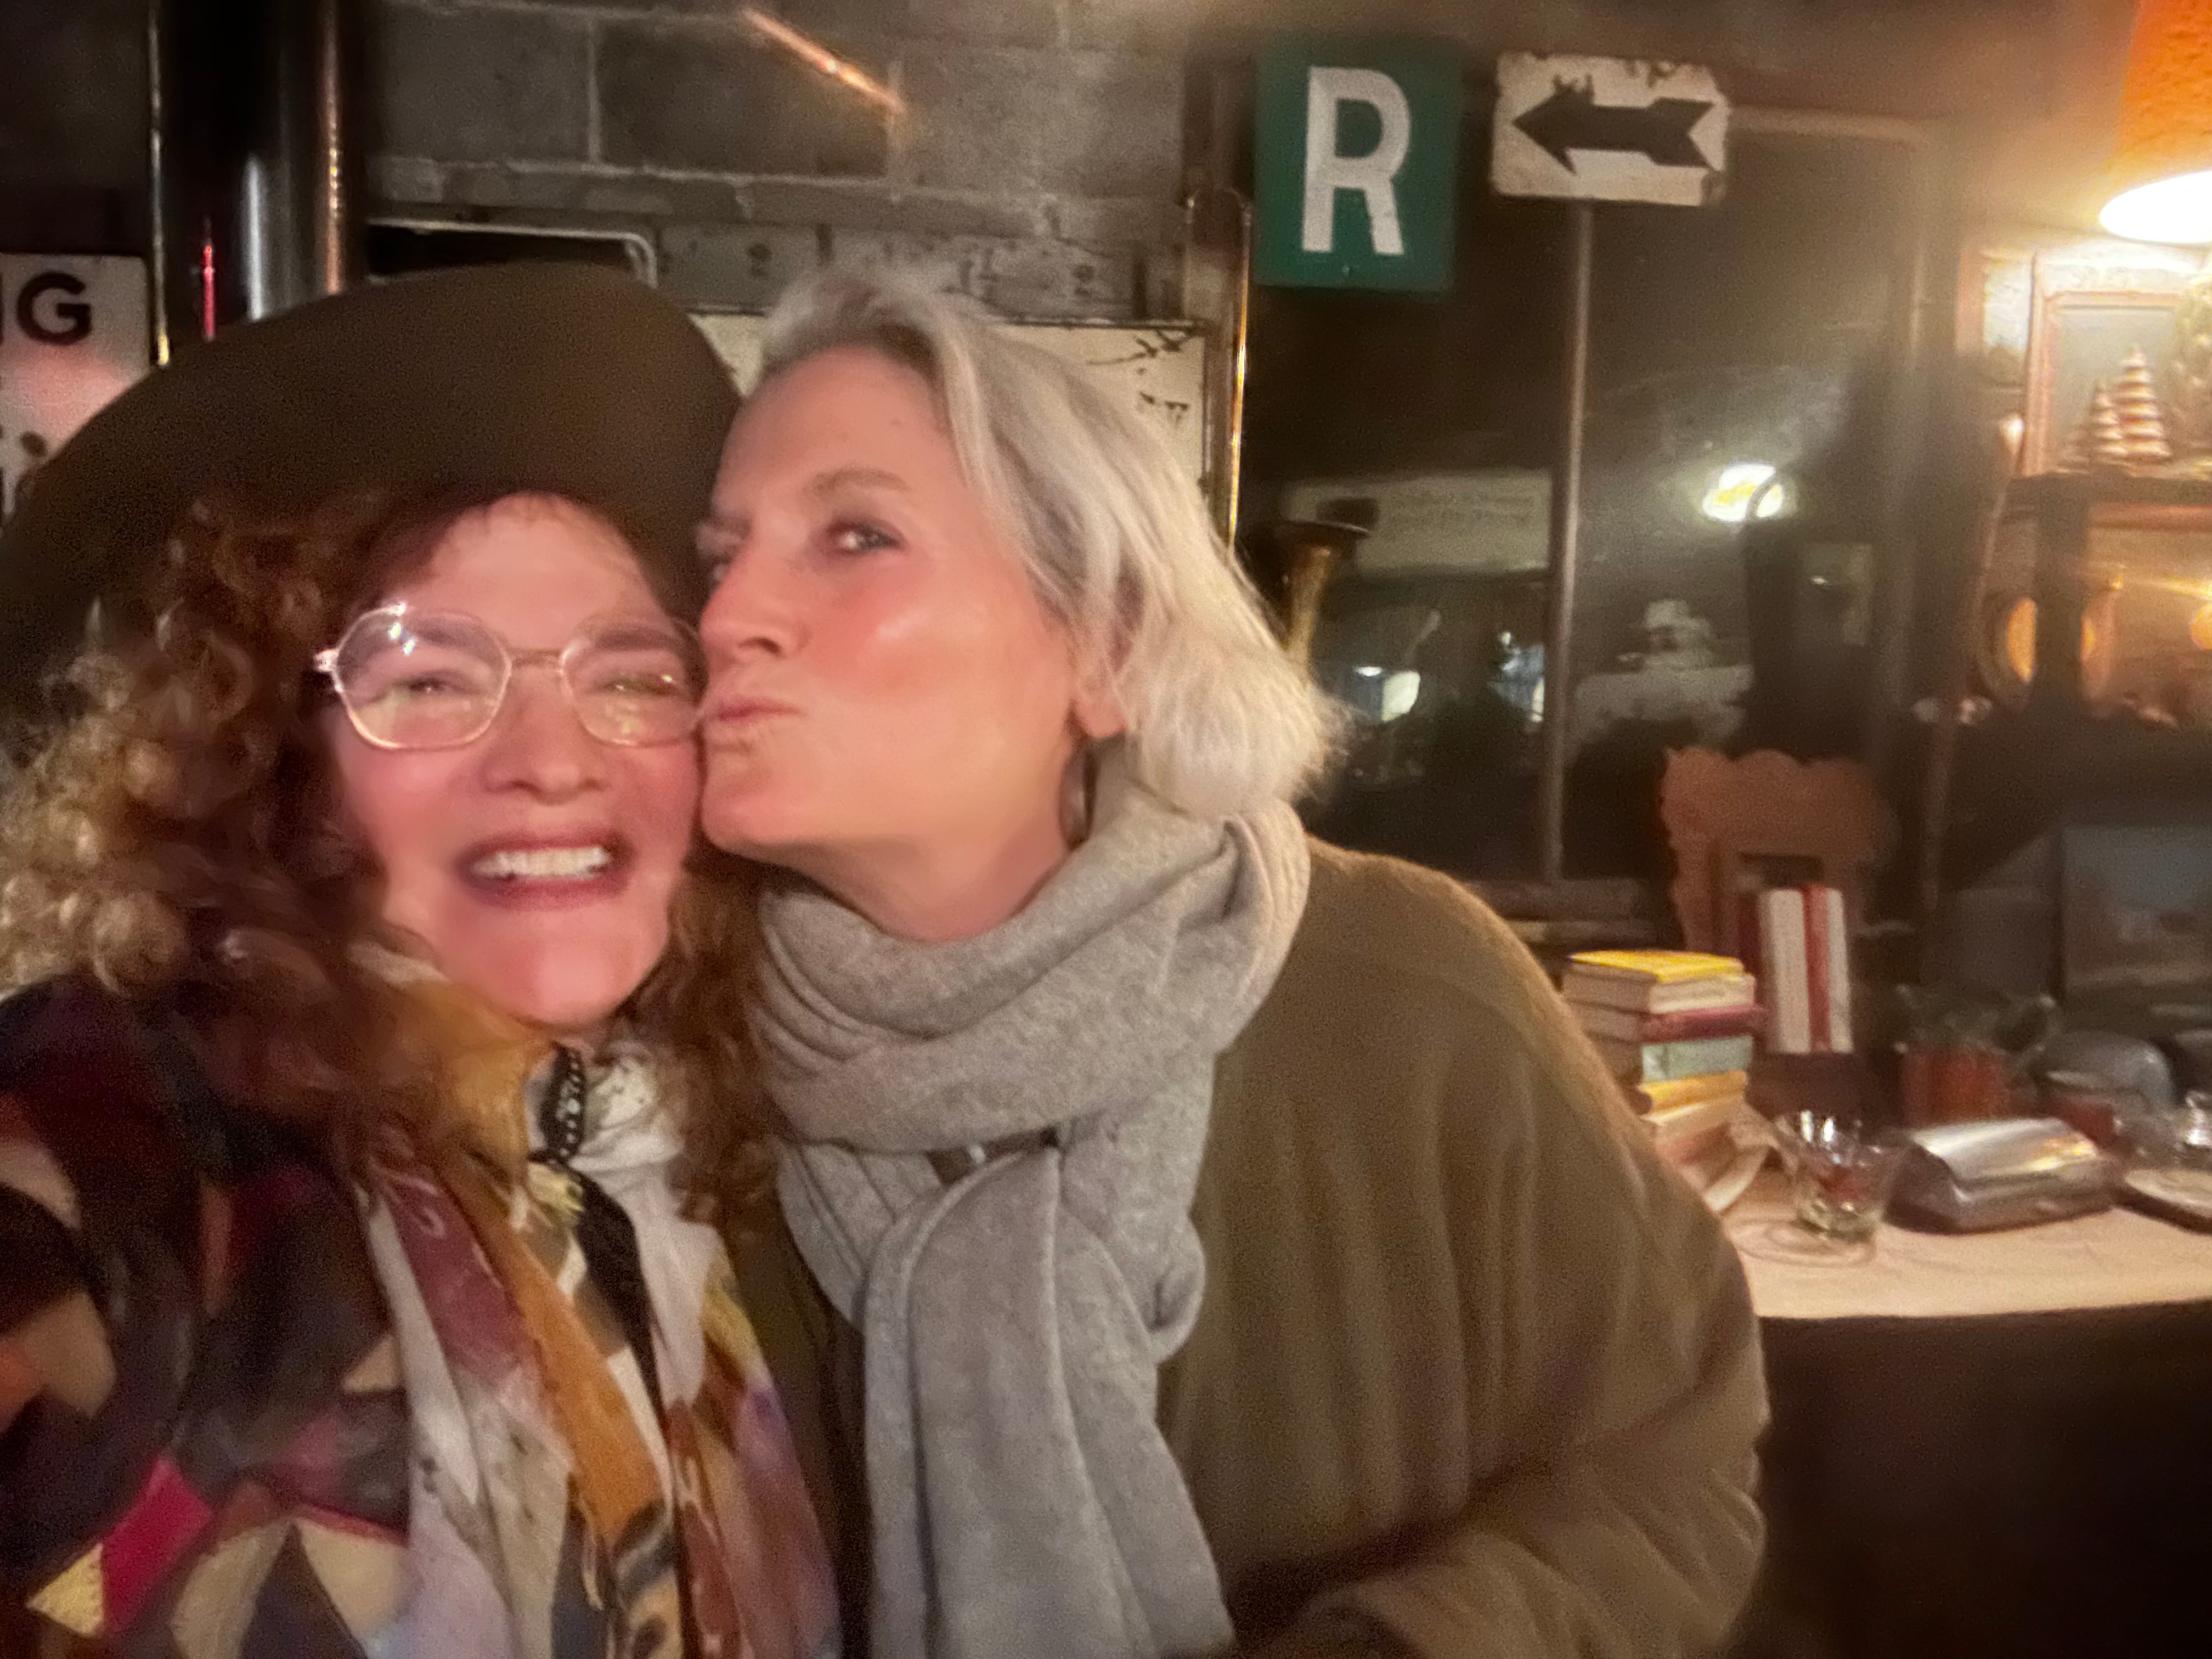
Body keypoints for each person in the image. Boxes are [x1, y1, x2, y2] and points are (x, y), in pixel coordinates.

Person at [698, 267, 1767, 1659]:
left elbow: (1670, 1467)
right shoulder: (677, 1067)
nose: (726, 618)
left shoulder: (1407, 994)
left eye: (856, 536)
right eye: (718, 559)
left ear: (1107, 645)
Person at [0, 266, 836, 1659]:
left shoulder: (728, 1163)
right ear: (283, 762)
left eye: (629, 676)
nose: (554, 761)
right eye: (431, 680)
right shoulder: (114, 1135)